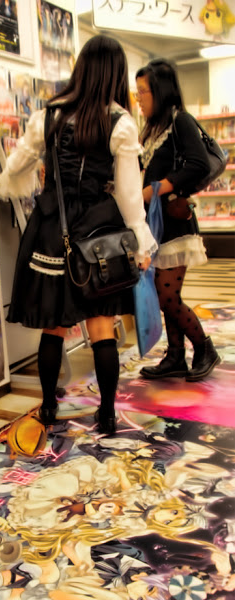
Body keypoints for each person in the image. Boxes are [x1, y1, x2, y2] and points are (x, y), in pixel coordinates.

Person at [0, 35, 156, 434]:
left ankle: (49, 407)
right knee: (102, 325)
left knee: (55, 326)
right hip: (98, 235)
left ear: (81, 68)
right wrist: (141, 243)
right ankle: (106, 412)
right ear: (116, 73)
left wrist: (21, 186)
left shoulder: (48, 115)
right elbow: (130, 194)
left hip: (52, 231)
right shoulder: (120, 123)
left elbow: (15, 169)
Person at [135, 59, 221, 382]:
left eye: (143, 91)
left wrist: (157, 188)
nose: (139, 98)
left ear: (160, 91)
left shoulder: (180, 121)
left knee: (166, 295)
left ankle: (204, 347)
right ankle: (174, 356)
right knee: (163, 293)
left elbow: (198, 164)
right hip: (158, 226)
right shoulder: (152, 129)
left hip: (175, 224)